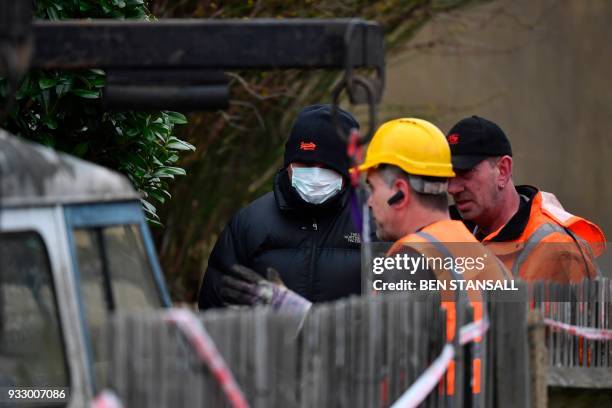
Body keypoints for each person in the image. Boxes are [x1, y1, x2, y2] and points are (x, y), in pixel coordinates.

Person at [357, 117, 512, 398]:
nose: (369, 201)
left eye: (372, 189)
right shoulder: (478, 252)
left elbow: (377, 375)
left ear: (400, 194)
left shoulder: (408, 262)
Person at [198, 104, 362, 310]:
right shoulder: (251, 223)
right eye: (306, 164)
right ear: (288, 164)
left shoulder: (374, 223)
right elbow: (214, 306)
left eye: (328, 168)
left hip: (350, 343)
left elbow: (402, 315)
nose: (316, 176)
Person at [446, 115, 606, 282]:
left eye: (465, 173)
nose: (452, 188)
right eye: (449, 175)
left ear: (503, 170)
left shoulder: (556, 248)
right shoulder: (447, 237)